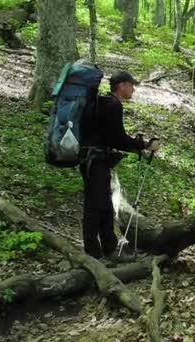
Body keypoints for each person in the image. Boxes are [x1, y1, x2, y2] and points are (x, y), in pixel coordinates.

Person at [79, 71, 160, 261]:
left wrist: (138, 145)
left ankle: (109, 249)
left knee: (104, 205)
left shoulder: (105, 103)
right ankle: (93, 254)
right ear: (122, 86)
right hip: (94, 161)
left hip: (93, 160)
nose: (133, 89)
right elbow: (119, 139)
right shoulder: (112, 105)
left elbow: (109, 137)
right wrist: (145, 145)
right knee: (95, 207)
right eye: (132, 85)